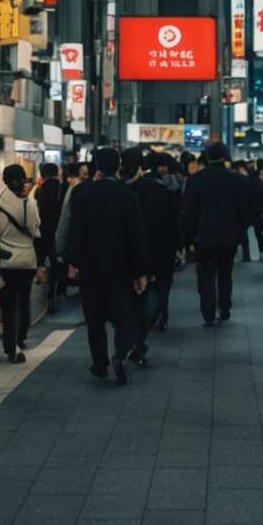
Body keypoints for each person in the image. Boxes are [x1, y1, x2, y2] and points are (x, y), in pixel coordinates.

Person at [66, 148, 150, 384]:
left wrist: (72, 262)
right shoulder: (128, 195)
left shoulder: (83, 194)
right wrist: (140, 271)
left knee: (94, 319)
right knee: (122, 316)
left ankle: (100, 364)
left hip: (90, 266)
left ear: (96, 167)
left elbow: (77, 232)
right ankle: (120, 355)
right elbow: (137, 236)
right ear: (118, 166)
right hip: (121, 265)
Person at [121, 146, 178, 363]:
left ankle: (131, 339)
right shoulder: (159, 189)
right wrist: (178, 245)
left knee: (131, 298)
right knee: (155, 294)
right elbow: (173, 220)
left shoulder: (121, 190)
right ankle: (138, 337)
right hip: (158, 250)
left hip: (126, 252)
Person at [181, 141, 245, 324]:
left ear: (207, 157)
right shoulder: (235, 179)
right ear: (224, 157)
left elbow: (188, 210)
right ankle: (224, 307)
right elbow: (242, 210)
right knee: (225, 274)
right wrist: (240, 233)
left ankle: (208, 314)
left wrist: (190, 237)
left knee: (206, 275)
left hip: (203, 236)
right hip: (229, 237)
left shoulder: (195, 179)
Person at [0, 164, 42, 363]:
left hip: (6, 261)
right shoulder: (29, 204)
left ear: (5, 180)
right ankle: (21, 337)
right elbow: (36, 229)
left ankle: (9, 345)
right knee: (24, 301)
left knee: (8, 305)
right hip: (27, 261)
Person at [146, 152, 183, 334]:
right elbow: (174, 219)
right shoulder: (166, 189)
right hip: (164, 244)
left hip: (144, 244)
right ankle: (163, 316)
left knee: (147, 283)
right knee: (164, 284)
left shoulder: (135, 187)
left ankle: (147, 317)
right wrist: (179, 246)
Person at [35, 162, 67, 314]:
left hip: (45, 230)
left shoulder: (41, 189)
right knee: (57, 261)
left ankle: (49, 294)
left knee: (46, 262)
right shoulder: (63, 187)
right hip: (59, 229)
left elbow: (39, 212)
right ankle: (59, 290)